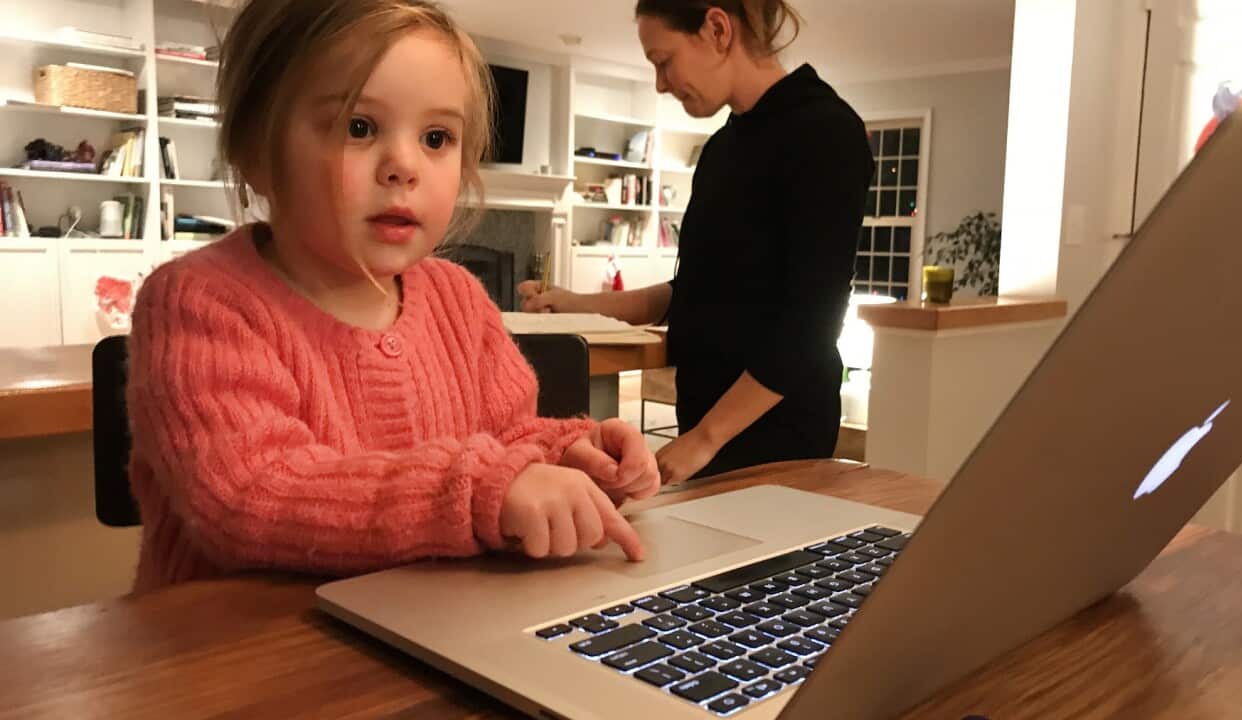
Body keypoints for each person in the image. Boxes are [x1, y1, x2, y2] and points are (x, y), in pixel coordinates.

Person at [125, 0, 660, 593]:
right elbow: (253, 494)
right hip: (238, 659)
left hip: (431, 626)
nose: (404, 165)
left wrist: (570, 454)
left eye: (437, 137)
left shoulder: (458, 297)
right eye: (359, 127)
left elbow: (506, 435)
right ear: (256, 151)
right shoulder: (198, 302)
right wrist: (486, 490)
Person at [520, 0, 874, 484]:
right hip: (707, 429)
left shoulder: (826, 133)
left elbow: (810, 328)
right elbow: (690, 291)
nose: (661, 84)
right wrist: (576, 304)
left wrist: (705, 439)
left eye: (663, 61)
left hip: (780, 440)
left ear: (716, 29)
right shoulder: (723, 148)